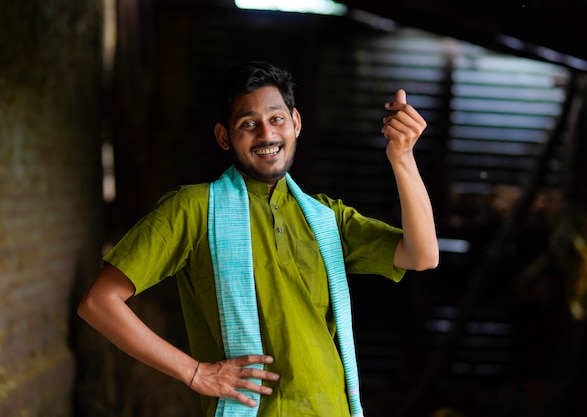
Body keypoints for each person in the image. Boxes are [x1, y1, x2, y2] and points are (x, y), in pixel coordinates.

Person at [78, 60, 439, 417]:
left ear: (295, 123)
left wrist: (402, 157)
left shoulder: (326, 219)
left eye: (276, 119)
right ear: (224, 136)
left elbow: (422, 255)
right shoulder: (193, 209)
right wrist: (195, 372)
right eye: (248, 124)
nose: (267, 134)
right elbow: (99, 303)